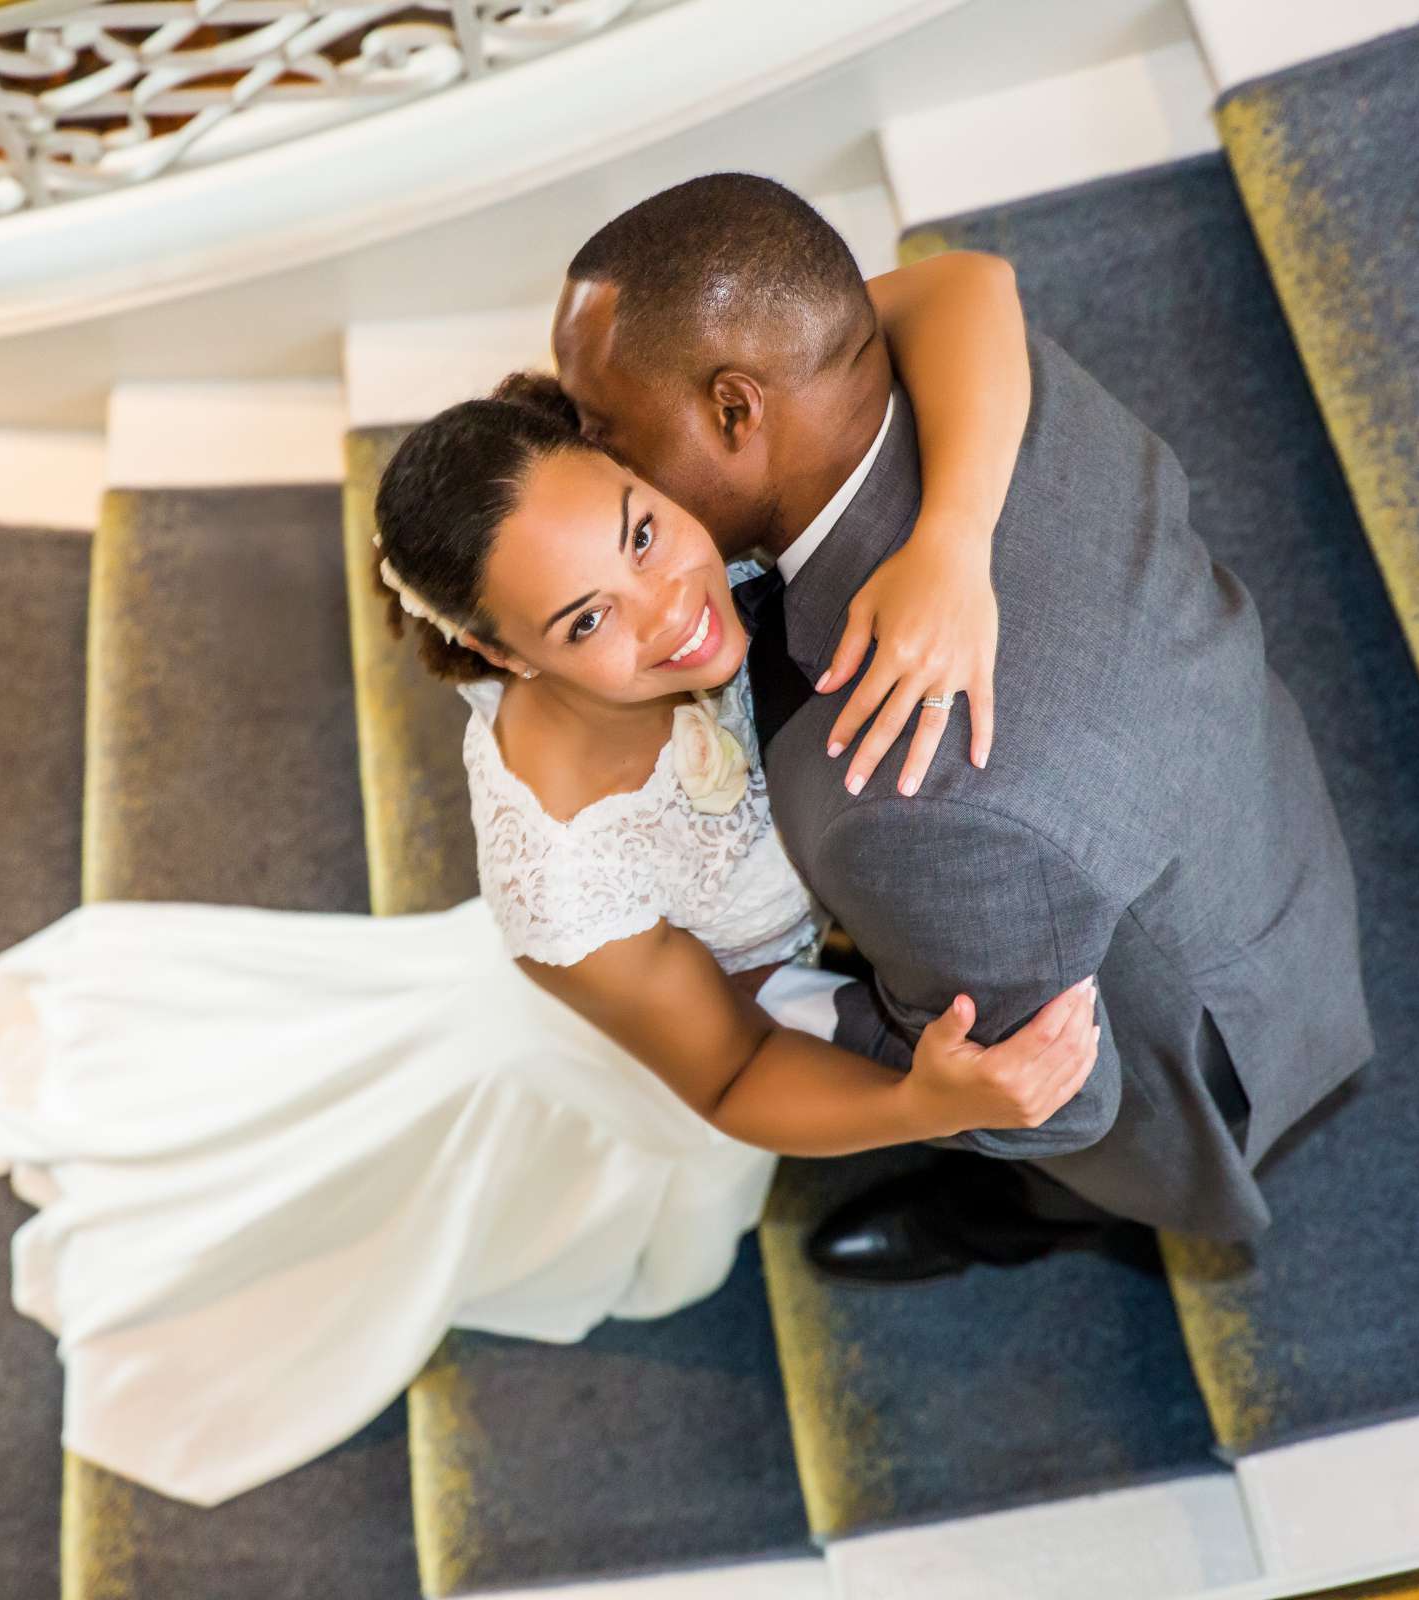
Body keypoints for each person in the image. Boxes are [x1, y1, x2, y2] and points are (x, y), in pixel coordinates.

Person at [0, 240, 1084, 1508]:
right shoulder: (562, 882)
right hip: (645, 1031)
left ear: (629, 464)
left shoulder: (683, 478)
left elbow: (966, 287)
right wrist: (925, 1106)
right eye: (584, 621)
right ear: (501, 655)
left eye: (640, 532)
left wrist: (952, 542)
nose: (667, 609)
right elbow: (732, 1069)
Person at [550, 173, 1376, 1282]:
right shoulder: (991, 384)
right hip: (1244, 803)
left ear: (738, 409)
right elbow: (962, 285)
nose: (596, 462)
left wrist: (790, 999)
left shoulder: (906, 801)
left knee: (1049, 1157)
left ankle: (1030, 1220)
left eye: (607, 429)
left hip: (1170, 1024)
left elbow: (1048, 1101)